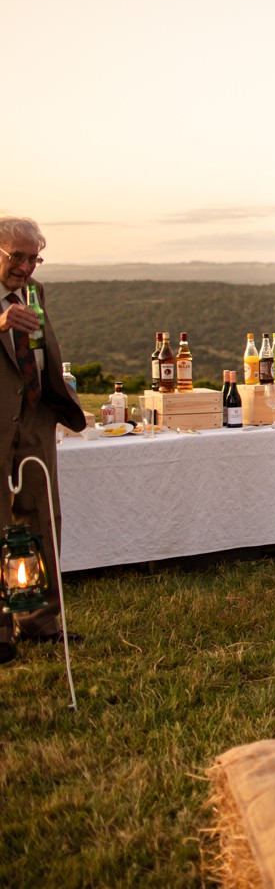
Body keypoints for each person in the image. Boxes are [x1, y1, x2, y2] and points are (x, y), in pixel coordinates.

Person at [0, 217, 86, 666]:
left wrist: (60, 404)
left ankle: (40, 621)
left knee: (42, 517)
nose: (27, 267)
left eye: (34, 258)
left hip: (35, 416)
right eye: (18, 257)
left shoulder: (35, 292)